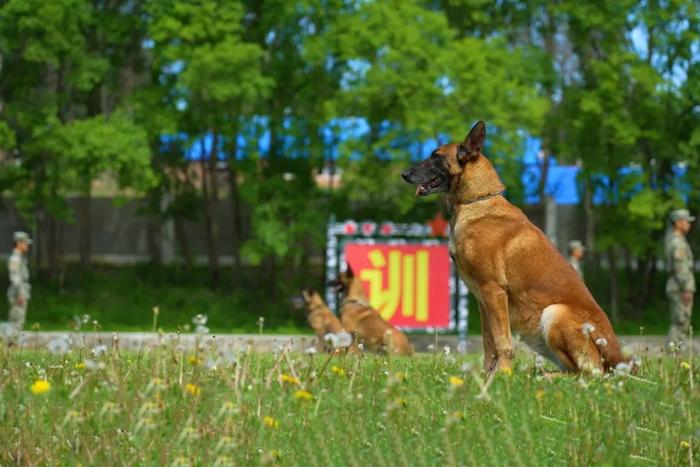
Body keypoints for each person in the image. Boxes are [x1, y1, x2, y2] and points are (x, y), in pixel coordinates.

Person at [665, 209, 695, 345]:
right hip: (680, 287)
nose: (689, 224)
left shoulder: (675, 239)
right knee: (680, 322)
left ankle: (674, 353)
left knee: (680, 321)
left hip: (677, 286)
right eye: (686, 221)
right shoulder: (678, 243)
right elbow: (681, 268)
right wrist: (687, 289)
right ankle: (672, 354)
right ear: (678, 223)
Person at [7, 231, 31, 331]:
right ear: (18, 243)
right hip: (18, 292)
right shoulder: (15, 258)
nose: (27, 245)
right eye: (25, 243)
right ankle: (11, 344)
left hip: (22, 290)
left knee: (19, 318)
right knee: (17, 319)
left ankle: (12, 343)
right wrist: (20, 293)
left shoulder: (20, 257)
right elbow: (15, 276)